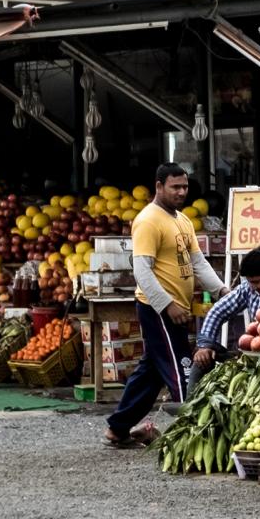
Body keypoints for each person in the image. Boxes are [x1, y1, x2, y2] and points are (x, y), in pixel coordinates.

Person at [105, 164, 223, 449]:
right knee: (183, 367)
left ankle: (117, 429)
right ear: (159, 186)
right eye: (175, 187)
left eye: (184, 187)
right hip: (158, 309)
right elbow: (141, 271)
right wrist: (166, 304)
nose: (181, 192)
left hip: (177, 308)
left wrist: (221, 290)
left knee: (151, 372)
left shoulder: (182, 220)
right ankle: (194, 436)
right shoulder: (148, 221)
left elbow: (197, 262)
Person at [191, 246, 260, 376]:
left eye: (257, 282)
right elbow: (217, 312)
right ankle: (189, 397)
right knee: (201, 360)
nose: (254, 287)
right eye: (250, 283)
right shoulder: (248, 289)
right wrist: (205, 346)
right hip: (254, 357)